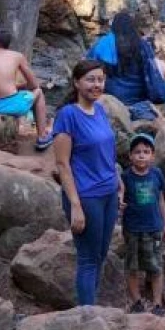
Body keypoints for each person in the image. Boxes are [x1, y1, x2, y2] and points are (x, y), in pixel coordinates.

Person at [52, 59, 123, 307]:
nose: (96, 85)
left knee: (101, 254)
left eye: (100, 80)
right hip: (85, 195)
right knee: (88, 259)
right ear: (77, 82)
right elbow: (62, 164)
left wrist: (118, 181)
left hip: (108, 192)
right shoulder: (68, 115)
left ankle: (90, 305)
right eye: (90, 79)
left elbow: (107, 152)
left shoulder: (100, 110)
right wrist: (75, 205)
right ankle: (87, 316)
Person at [0, 28, 52, 148]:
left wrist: (17, 87)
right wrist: (23, 87)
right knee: (39, 92)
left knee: (16, 93)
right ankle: (42, 137)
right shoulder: (17, 56)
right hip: (11, 105)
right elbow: (34, 84)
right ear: (8, 44)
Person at [121, 133, 165, 316]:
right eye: (137, 152)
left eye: (146, 152)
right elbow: (120, 198)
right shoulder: (125, 177)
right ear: (130, 156)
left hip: (154, 228)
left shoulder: (157, 174)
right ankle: (137, 301)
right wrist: (120, 205)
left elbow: (161, 200)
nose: (141, 155)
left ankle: (157, 303)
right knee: (132, 266)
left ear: (153, 156)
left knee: (156, 266)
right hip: (132, 229)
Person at [86, 12, 165, 121]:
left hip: (112, 101)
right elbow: (152, 74)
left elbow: (86, 67)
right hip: (140, 102)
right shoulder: (143, 46)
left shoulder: (103, 45)